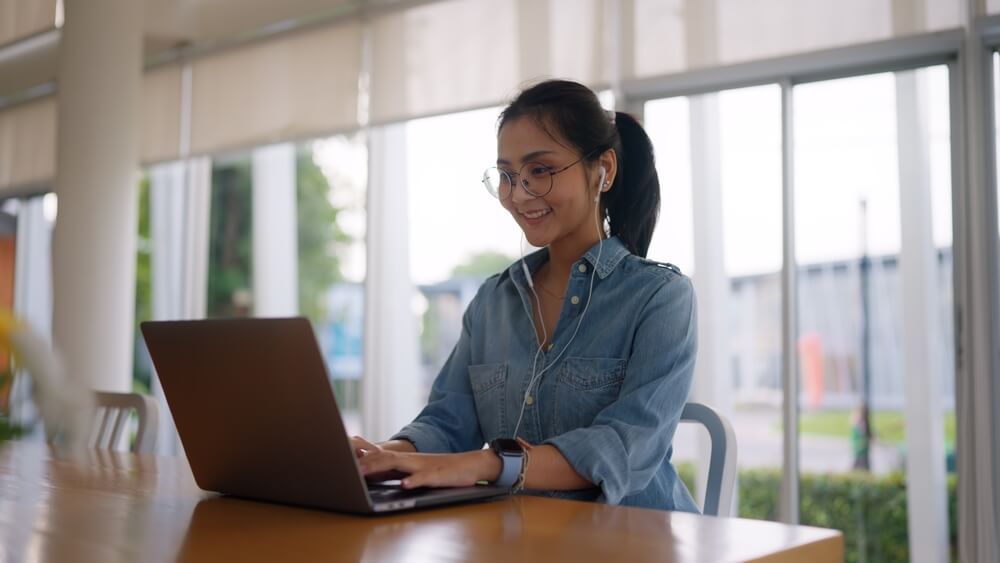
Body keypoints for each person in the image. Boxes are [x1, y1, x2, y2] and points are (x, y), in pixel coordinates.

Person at [351, 79, 699, 512]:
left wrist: (491, 463)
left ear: (603, 169)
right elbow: (447, 422)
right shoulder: (493, 303)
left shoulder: (661, 297)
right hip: (524, 538)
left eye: (540, 171)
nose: (517, 195)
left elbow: (625, 445)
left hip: (637, 539)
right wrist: (379, 457)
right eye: (507, 176)